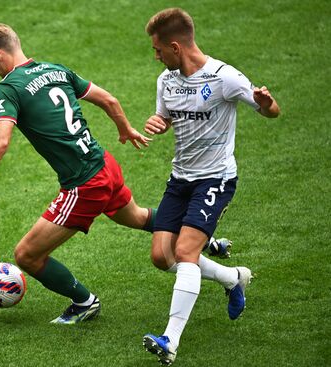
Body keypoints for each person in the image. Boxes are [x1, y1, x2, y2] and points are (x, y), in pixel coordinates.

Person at [0, 23, 157, 324]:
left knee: (27, 255)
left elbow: (0, 140)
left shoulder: (8, 88)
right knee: (137, 217)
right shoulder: (55, 69)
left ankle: (85, 302)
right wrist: (124, 129)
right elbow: (109, 100)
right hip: (105, 164)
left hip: (84, 184)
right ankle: (201, 237)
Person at [141, 8, 280, 365]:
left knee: (185, 253)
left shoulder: (224, 77)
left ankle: (169, 341)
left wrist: (266, 105)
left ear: (175, 46)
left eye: (158, 50)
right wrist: (159, 123)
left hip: (216, 178)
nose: (155, 56)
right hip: (180, 178)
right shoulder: (166, 80)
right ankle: (233, 278)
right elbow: (169, 118)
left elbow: (271, 111)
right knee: (162, 256)